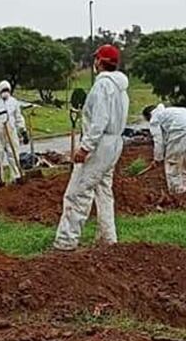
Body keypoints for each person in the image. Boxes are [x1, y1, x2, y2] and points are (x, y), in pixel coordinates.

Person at [54, 44, 130, 250]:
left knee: (78, 192)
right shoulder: (121, 88)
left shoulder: (103, 85)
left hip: (100, 144)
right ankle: (108, 238)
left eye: (96, 59)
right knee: (103, 190)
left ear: (100, 62)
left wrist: (85, 148)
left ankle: (66, 243)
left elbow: (99, 121)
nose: (94, 62)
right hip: (114, 144)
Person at [143, 103, 186, 194]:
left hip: (180, 127)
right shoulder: (168, 112)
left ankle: (175, 192)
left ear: (148, 116)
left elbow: (158, 140)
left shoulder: (155, 119)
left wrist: (157, 158)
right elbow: (165, 138)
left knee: (172, 161)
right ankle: (184, 187)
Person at [0, 80, 29, 185]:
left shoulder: (13, 102)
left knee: (13, 155)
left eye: (7, 90)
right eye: (3, 90)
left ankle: (16, 176)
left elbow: (18, 117)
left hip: (11, 131)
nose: (5, 93)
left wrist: (23, 131)